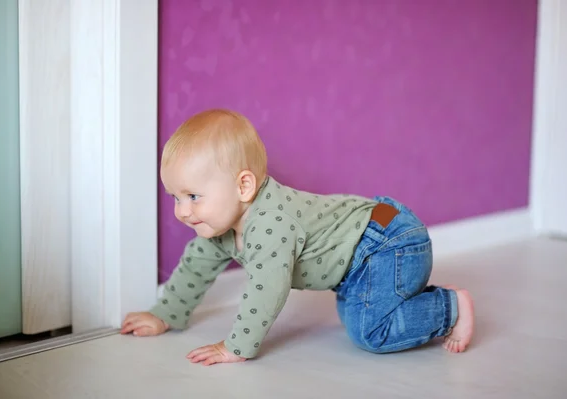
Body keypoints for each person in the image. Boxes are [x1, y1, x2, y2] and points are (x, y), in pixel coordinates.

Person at [120, 109, 475, 366]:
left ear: (243, 186)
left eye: (193, 196)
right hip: (368, 246)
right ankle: (419, 302)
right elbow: (195, 267)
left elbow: (268, 288)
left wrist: (237, 346)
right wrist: (165, 314)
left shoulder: (270, 224)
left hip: (388, 242)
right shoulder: (219, 226)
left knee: (370, 332)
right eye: (176, 198)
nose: (182, 211)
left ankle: (450, 307)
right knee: (358, 316)